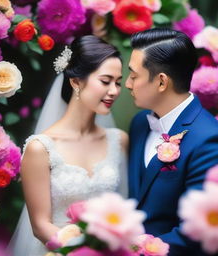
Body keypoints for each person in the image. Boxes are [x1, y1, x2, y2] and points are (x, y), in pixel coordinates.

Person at [8, 35, 128, 256]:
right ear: (75, 82)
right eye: (105, 81)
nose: (114, 91)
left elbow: (123, 207)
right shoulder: (41, 148)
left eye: (118, 82)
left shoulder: (118, 140)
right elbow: (40, 226)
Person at [126, 28, 218, 255]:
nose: (128, 84)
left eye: (134, 76)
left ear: (162, 82)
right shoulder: (139, 124)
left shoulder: (210, 142)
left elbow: (196, 234)